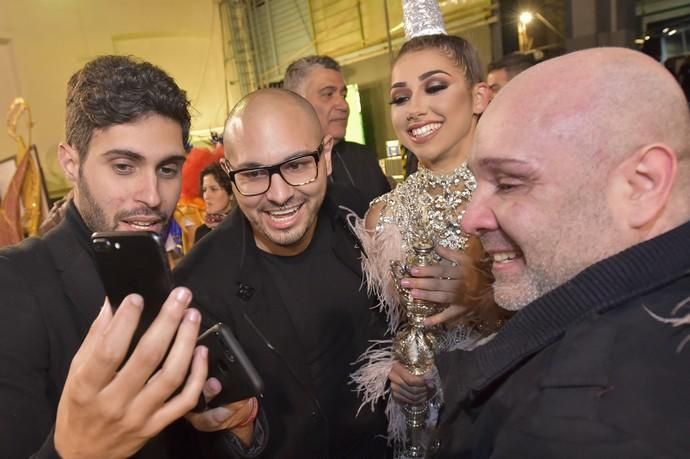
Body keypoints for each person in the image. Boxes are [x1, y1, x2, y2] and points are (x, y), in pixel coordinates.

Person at [434, 47, 690, 457]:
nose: (471, 219)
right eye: (477, 183)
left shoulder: (579, 429)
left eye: (509, 182)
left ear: (643, 184)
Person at [0, 55, 254, 459]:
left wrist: (236, 430)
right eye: (124, 166)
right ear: (71, 163)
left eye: (168, 169)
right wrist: (73, 453)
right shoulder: (14, 284)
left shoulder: (172, 279)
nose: (152, 196)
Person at [174, 88, 391, 458]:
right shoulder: (197, 289)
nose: (278, 194)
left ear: (325, 155)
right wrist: (234, 432)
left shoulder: (358, 218)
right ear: (230, 174)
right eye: (254, 173)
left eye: (296, 165)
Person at [351, 33, 506, 452]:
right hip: (424, 422)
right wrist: (397, 372)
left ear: (479, 97)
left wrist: (487, 299)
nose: (415, 108)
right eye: (400, 98)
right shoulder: (382, 217)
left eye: (435, 87)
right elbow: (394, 327)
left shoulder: (515, 193)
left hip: (507, 403)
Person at [283, 55, 391, 203]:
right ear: (296, 103)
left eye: (343, 95)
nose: (344, 105)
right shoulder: (280, 172)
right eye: (328, 94)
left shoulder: (364, 159)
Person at [195, 162, 234, 242]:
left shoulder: (244, 229)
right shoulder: (201, 232)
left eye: (214, 189)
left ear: (231, 194)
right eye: (204, 190)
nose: (206, 196)